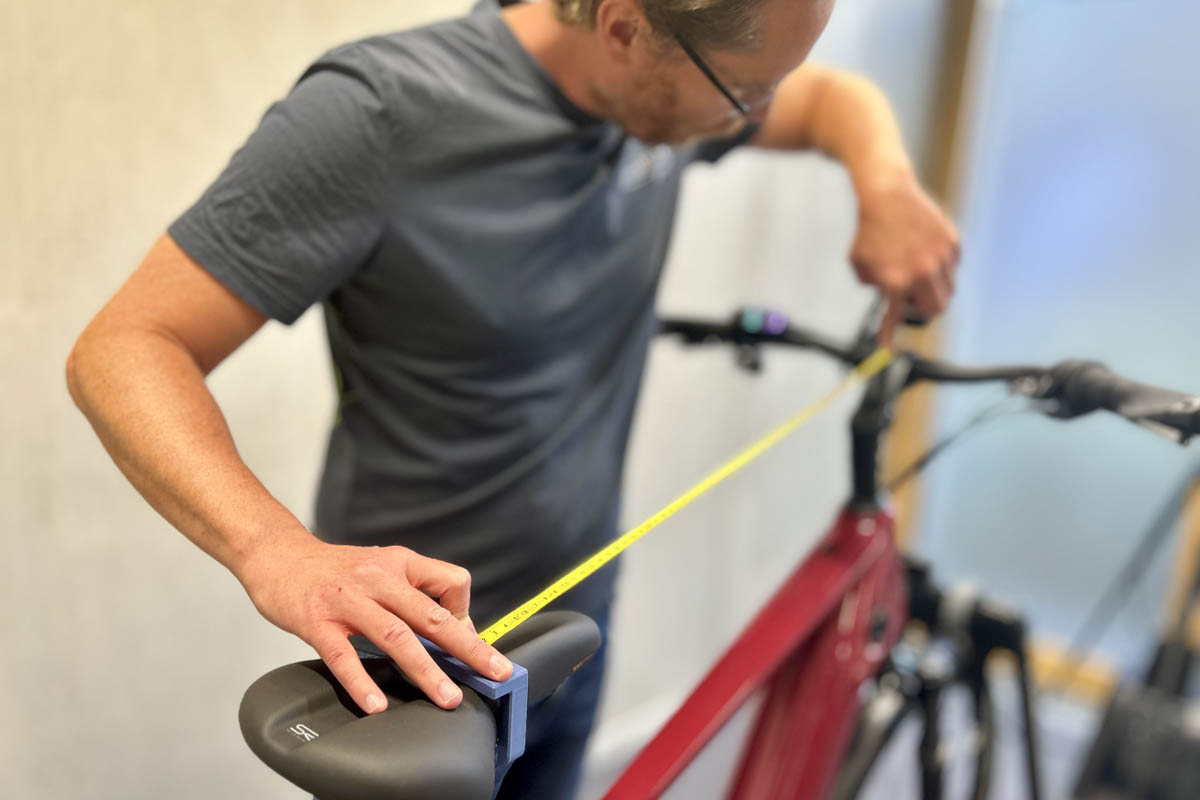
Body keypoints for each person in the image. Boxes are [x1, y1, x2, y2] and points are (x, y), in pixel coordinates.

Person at [66, 0, 959, 796]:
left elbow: (831, 101)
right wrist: (279, 553)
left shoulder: (670, 76)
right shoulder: (380, 112)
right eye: (742, 98)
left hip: (572, 629)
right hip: (414, 675)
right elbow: (126, 347)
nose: (757, 118)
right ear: (620, 28)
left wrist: (884, 185)